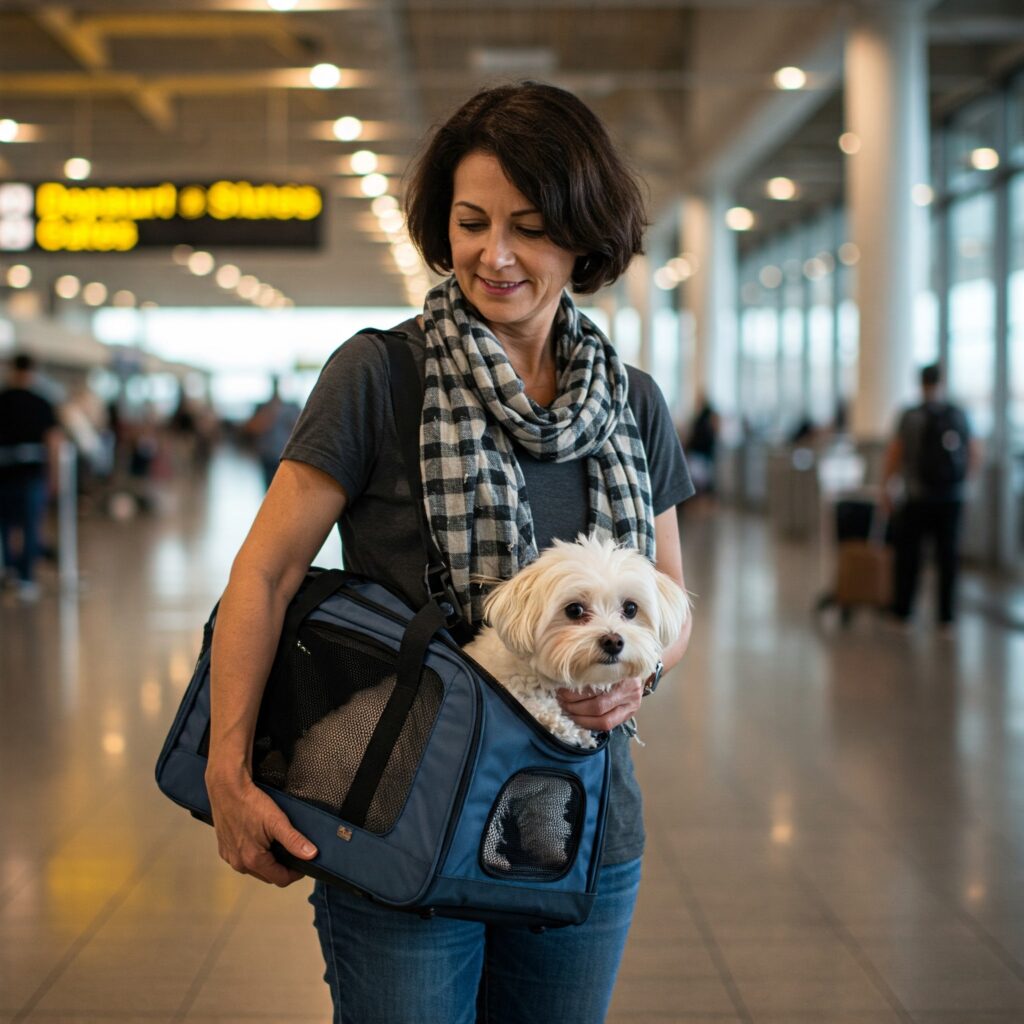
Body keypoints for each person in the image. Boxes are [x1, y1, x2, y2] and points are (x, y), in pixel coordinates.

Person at [204, 82, 694, 1024]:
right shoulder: (381, 374)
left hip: (583, 816)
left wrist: (638, 678)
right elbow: (263, 575)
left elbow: (671, 604)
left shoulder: (632, 404)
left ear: (583, 238)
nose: (493, 254)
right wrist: (229, 773)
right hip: (404, 818)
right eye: (472, 223)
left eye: (529, 226)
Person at [881, 362, 978, 628]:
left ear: (920, 383)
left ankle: (903, 612)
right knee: (948, 557)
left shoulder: (910, 415)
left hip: (916, 496)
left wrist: (886, 487)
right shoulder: (958, 414)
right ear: (942, 382)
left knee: (909, 556)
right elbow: (973, 451)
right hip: (951, 497)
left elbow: (895, 453)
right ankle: (946, 617)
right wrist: (965, 486)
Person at [0, 353, 61, 602]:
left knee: (5, 527)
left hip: (3, 474)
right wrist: (55, 477)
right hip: (32, 474)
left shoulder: (1, 400)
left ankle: (9, 571)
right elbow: (54, 442)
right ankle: (26, 577)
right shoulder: (42, 403)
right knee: (30, 525)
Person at [243, 376, 301, 489]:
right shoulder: (263, 407)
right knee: (269, 488)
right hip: (268, 455)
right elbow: (252, 428)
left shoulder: (291, 407)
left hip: (286, 456)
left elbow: (298, 427)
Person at [685, 394, 719, 497]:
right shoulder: (702, 421)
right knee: (702, 485)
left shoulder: (701, 421)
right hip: (702, 457)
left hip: (700, 457)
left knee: (701, 485)